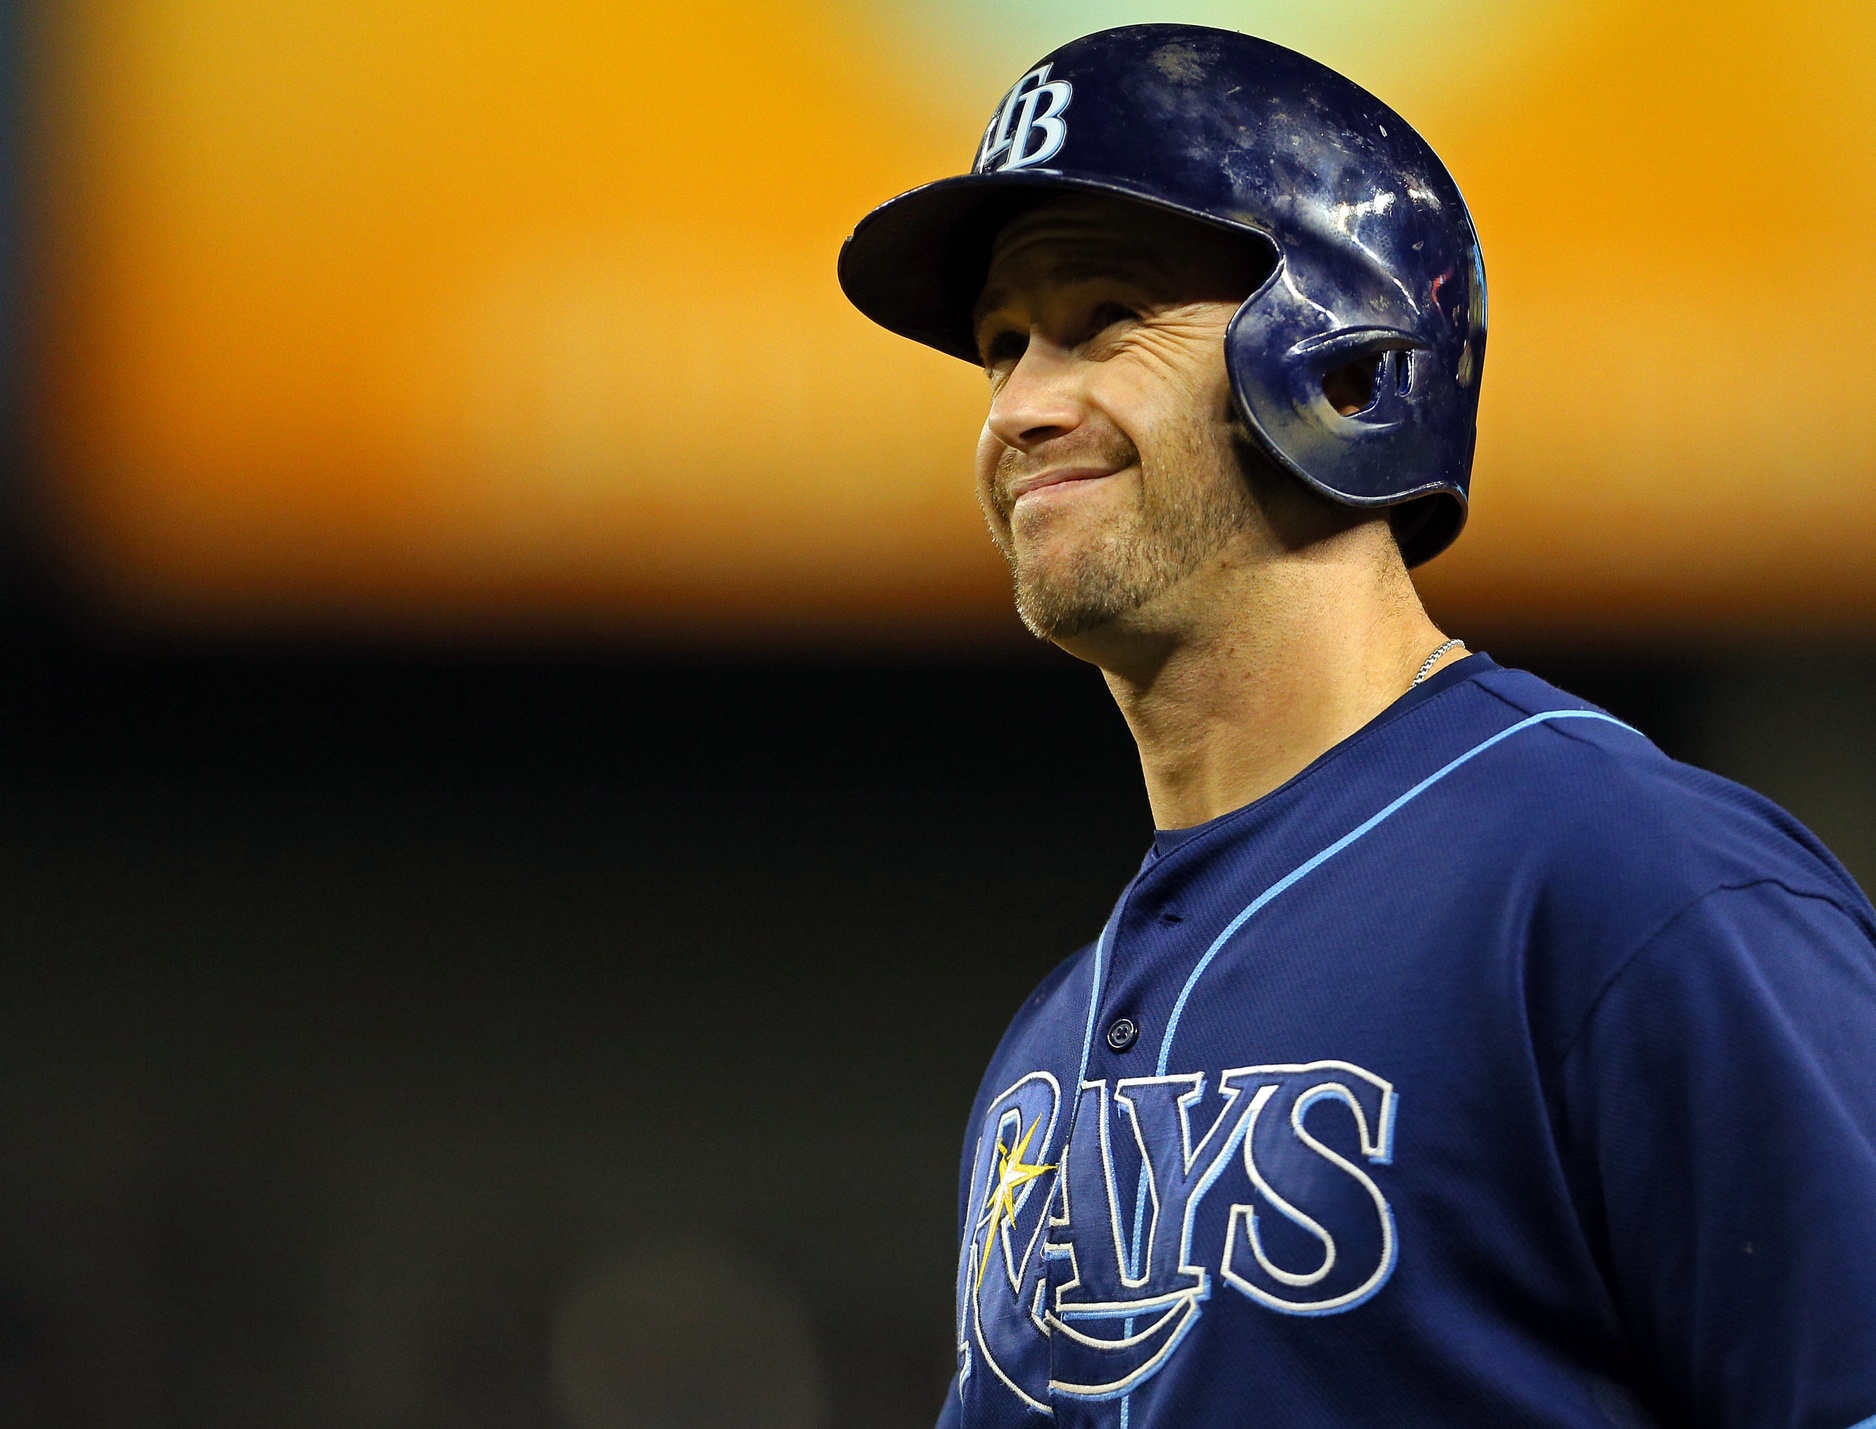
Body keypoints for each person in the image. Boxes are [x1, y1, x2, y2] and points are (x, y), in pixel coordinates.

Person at [838, 24, 1876, 1429]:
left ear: (1343, 365)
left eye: (1103, 321)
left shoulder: (1625, 883)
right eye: (1001, 347)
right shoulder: (1049, 1049)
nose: (1020, 408)